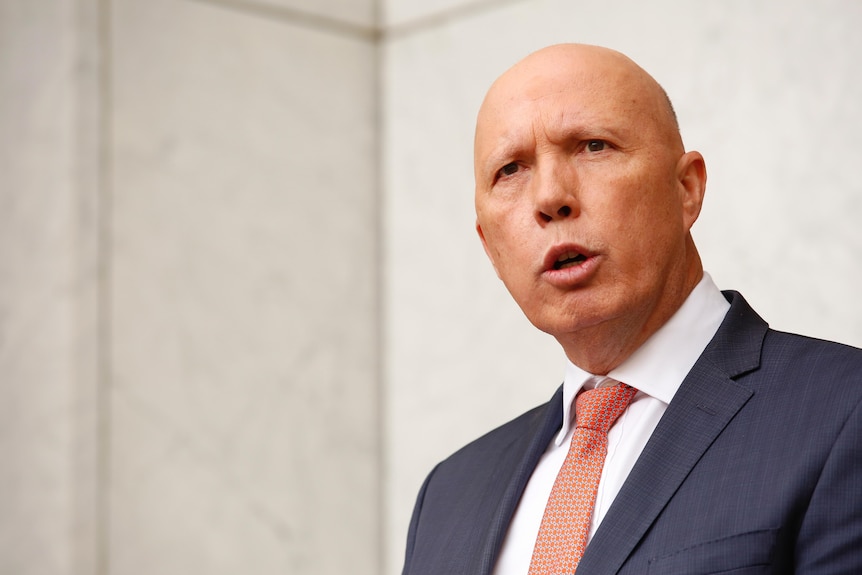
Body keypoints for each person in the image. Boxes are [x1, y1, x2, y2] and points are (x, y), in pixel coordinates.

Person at [400, 43, 862, 575]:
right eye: (510, 169)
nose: (550, 197)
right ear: (489, 245)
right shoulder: (449, 495)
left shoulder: (842, 412)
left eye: (593, 146)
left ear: (687, 189)